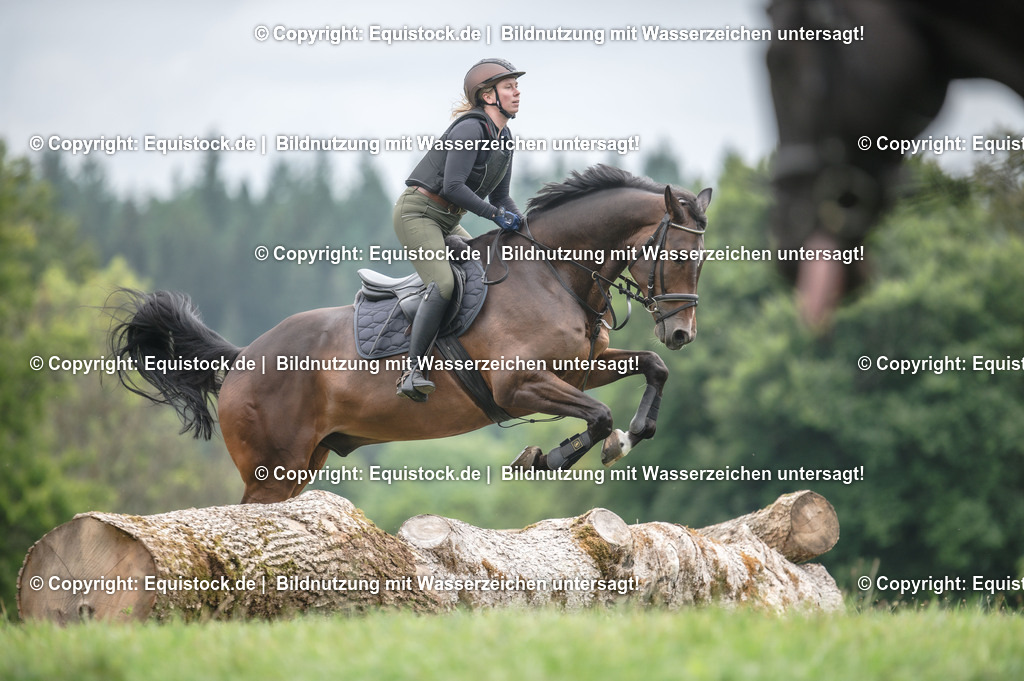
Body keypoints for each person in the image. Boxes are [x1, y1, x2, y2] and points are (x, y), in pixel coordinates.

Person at [393, 58, 525, 401]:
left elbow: (502, 197)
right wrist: (496, 216)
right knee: (444, 284)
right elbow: (453, 187)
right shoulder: (469, 130)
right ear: (487, 95)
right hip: (419, 215)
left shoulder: (505, 139)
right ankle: (412, 370)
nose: (517, 92)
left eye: (516, 85)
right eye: (509, 86)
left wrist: (524, 225)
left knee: (486, 273)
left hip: (449, 220)